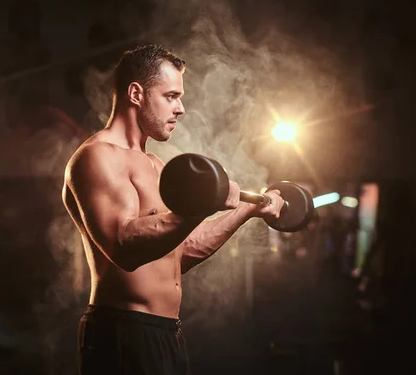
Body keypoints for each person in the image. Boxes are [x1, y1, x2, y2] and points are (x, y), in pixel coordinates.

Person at [62, 44, 285, 375]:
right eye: (170, 96)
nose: (181, 108)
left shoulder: (155, 164)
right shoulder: (97, 157)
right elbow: (123, 246)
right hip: (121, 332)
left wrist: (245, 212)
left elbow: (181, 251)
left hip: (165, 334)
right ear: (136, 93)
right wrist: (198, 208)